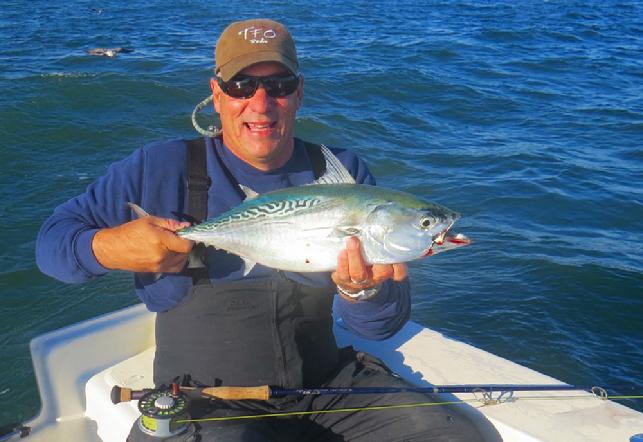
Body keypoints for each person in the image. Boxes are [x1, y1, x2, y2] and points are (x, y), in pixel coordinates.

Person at [36, 18, 498, 442]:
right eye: (242, 85)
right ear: (216, 94)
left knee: (451, 434)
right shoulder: (159, 167)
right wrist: (108, 247)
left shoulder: (343, 173)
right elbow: (51, 246)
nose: (261, 103)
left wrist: (364, 294)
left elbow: (379, 327)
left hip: (329, 387)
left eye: (278, 85)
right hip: (207, 399)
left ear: (299, 93)